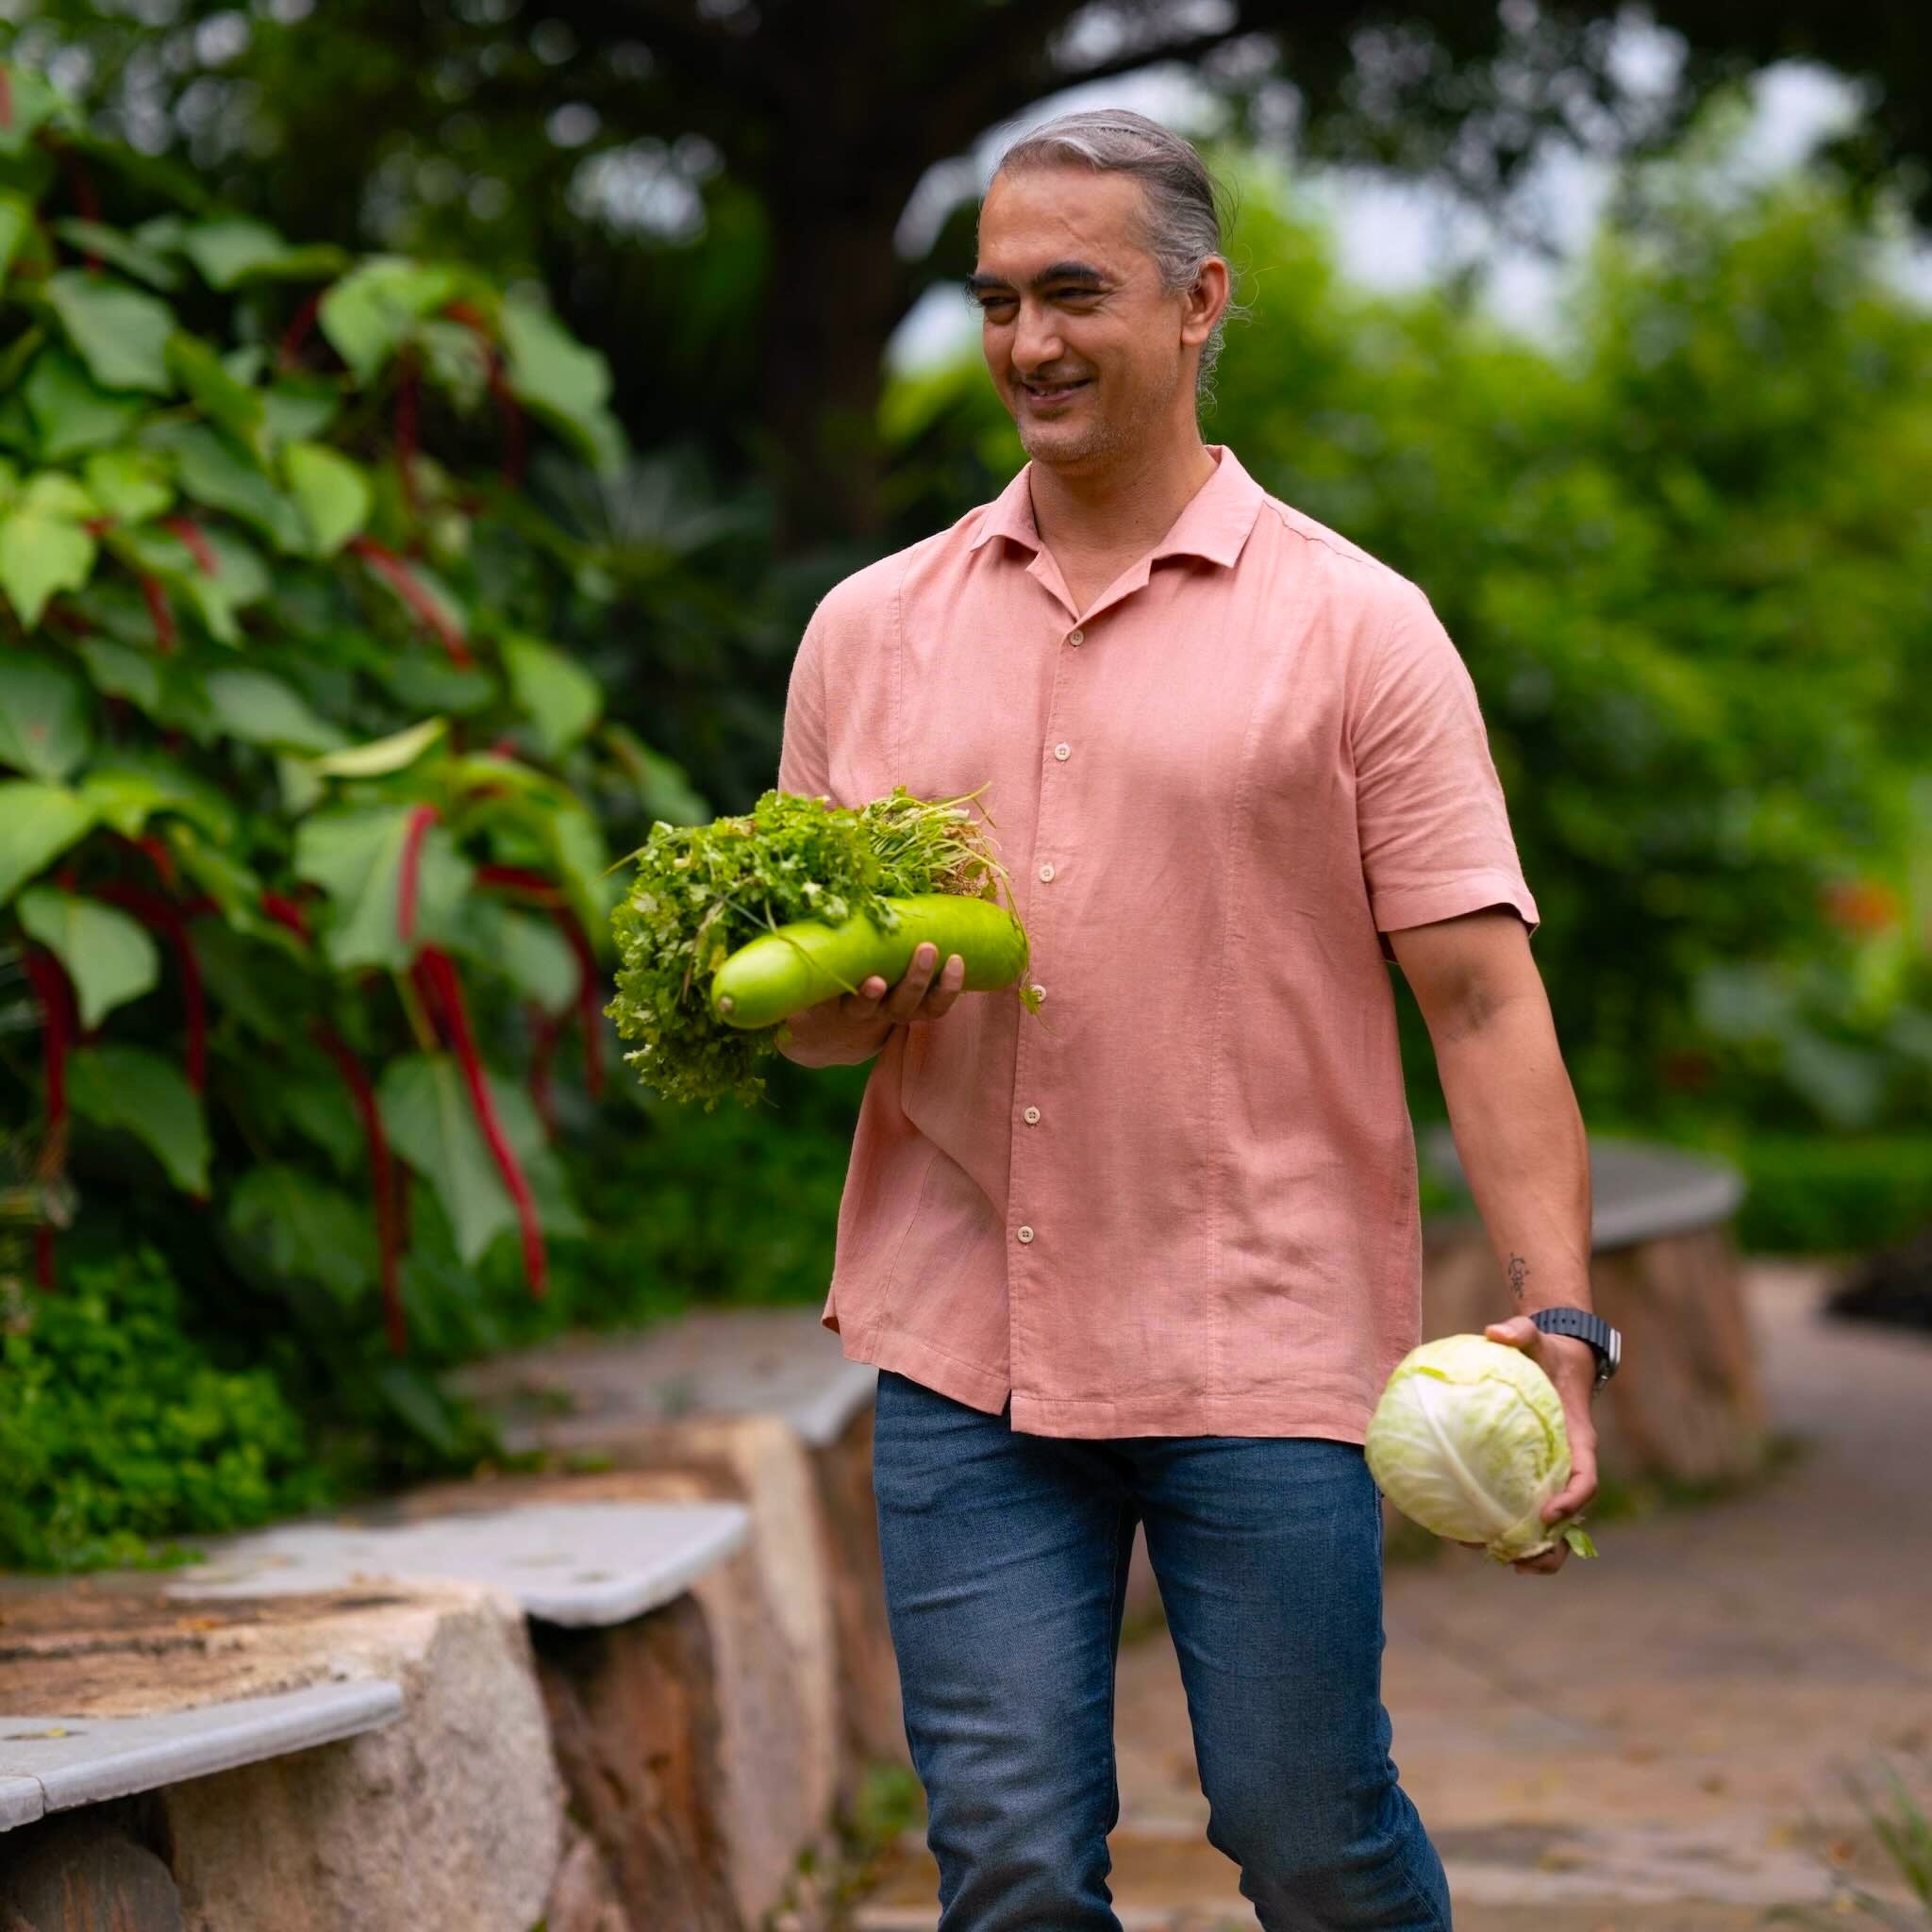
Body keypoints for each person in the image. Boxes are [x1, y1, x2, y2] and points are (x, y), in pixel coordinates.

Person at [774, 108, 1616, 1932]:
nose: (1030, 342)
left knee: (1306, 1832)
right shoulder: (869, 630)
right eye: (999, 301)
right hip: (964, 1337)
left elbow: (1482, 999)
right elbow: (816, 1035)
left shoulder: (1359, 629)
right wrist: (845, 1007)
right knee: (1007, 1862)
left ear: (1199, 301)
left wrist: (1559, 1321)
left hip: (1264, 1331)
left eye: (1074, 293)